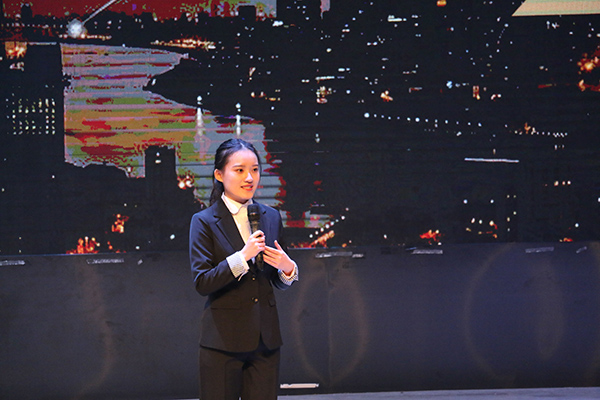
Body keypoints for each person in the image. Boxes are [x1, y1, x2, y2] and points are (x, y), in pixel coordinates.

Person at [189, 138, 298, 400]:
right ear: (219, 174)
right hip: (222, 341)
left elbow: (275, 279)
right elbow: (202, 282)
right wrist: (242, 257)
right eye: (239, 170)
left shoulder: (271, 216)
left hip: (265, 341)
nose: (249, 178)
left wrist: (288, 269)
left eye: (255, 170)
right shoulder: (204, 221)